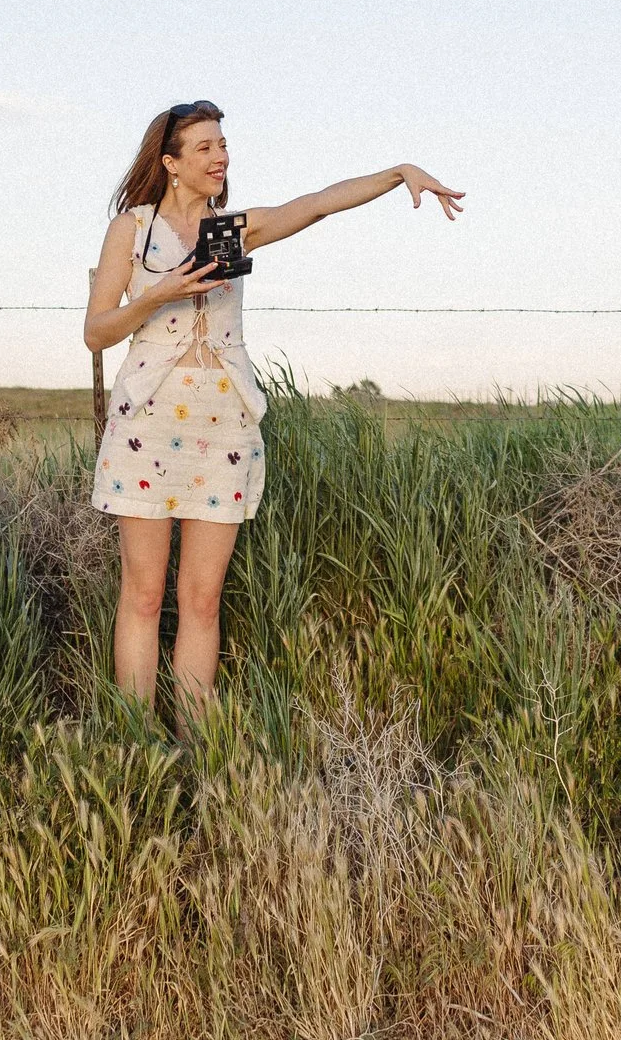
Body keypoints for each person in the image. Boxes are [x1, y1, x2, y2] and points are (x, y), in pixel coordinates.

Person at [84, 101, 463, 722]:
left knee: (203, 600)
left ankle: (198, 744)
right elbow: (96, 332)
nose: (221, 156)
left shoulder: (233, 227)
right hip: (147, 427)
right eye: (204, 147)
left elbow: (314, 204)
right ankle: (134, 744)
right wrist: (160, 292)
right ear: (171, 162)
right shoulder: (133, 228)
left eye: (223, 145)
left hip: (224, 428)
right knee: (144, 595)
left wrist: (398, 173)